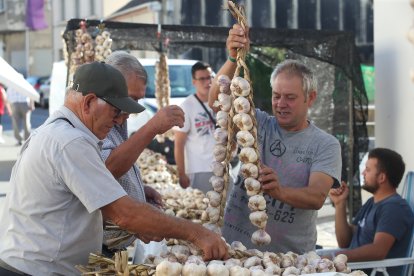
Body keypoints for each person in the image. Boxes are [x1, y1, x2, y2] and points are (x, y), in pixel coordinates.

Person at [0, 62, 228, 275]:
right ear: (89, 102)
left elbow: (87, 196)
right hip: (35, 269)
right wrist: (197, 233)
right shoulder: (70, 142)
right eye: (115, 111)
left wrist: (138, 204)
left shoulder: (59, 131)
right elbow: (124, 214)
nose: (119, 120)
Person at [208, 24, 342, 254]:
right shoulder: (257, 122)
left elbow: (317, 197)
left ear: (310, 98)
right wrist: (233, 58)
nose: (280, 104)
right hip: (232, 250)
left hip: (287, 259)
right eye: (276, 96)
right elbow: (217, 100)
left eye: (290, 97)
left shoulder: (326, 144)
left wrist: (279, 191)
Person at [101, 51, 188, 256]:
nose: (135, 108)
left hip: (109, 245)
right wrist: (152, 127)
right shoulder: (95, 123)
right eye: (131, 98)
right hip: (87, 249)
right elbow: (105, 171)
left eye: (139, 99)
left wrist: (137, 188)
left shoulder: (118, 118)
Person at [329, 148, 414, 276]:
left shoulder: (394, 208)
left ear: (382, 177)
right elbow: (345, 242)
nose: (363, 173)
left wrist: (336, 256)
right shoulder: (372, 202)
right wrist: (340, 204)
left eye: (368, 170)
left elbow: (378, 251)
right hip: (353, 270)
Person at [174, 61, 217, 193]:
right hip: (200, 169)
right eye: (202, 79)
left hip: (222, 167)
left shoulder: (220, 102)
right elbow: (179, 143)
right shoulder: (187, 106)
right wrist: (181, 173)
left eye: (209, 77)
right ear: (194, 82)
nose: (207, 82)